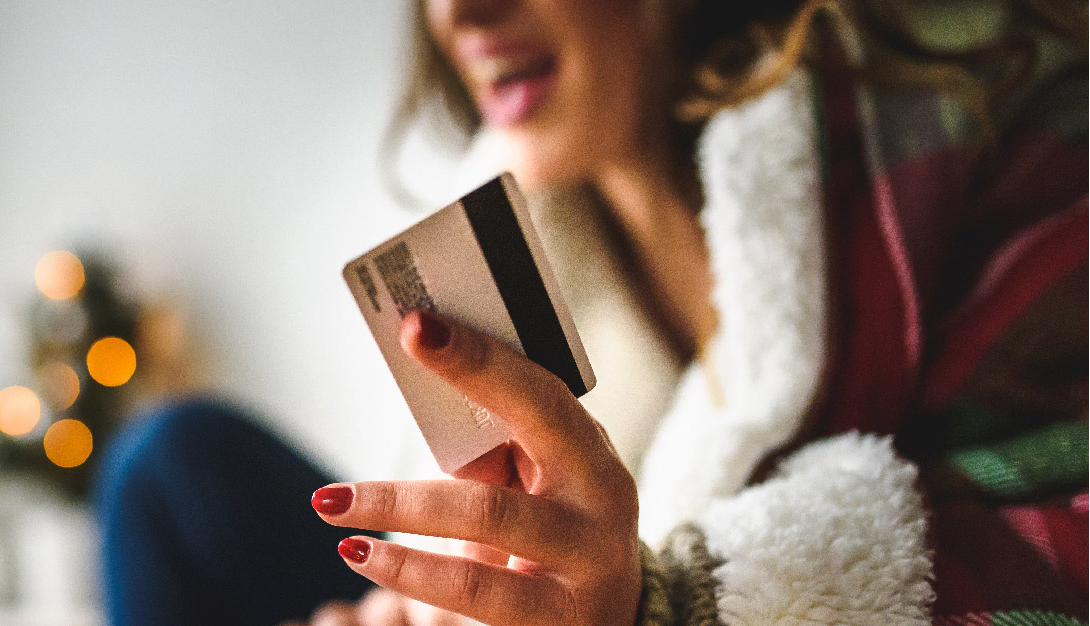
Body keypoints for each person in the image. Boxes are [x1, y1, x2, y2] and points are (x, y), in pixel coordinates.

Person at [93, 0, 1088, 624]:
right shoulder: (528, 229)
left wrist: (669, 608)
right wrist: (426, 605)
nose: (459, 13)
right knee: (172, 465)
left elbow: (1056, 546)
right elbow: (491, 565)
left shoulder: (973, 107)